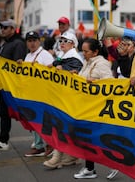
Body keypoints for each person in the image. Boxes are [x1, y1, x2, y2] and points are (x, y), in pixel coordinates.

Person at [72, 38, 118, 179]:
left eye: (86, 51)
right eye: (83, 51)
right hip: (86, 107)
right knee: (87, 138)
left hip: (97, 108)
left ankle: (115, 163)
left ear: (95, 52)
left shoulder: (102, 63)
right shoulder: (87, 62)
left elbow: (110, 83)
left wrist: (96, 82)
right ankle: (89, 168)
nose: (83, 54)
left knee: (97, 138)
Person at [43, 31, 83, 169]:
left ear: (73, 44)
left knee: (61, 126)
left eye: (65, 41)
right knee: (62, 127)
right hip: (60, 98)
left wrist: (63, 70)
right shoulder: (62, 56)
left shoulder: (75, 59)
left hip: (68, 99)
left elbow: (75, 76)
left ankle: (58, 156)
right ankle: (70, 155)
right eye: (60, 41)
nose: (62, 43)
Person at [20, 31, 54, 157]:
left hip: (44, 95)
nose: (32, 43)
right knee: (34, 120)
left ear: (39, 41)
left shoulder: (45, 55)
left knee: (45, 121)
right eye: (29, 40)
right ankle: (39, 145)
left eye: (34, 40)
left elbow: (53, 73)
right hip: (32, 94)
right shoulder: (28, 56)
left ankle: (50, 145)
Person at [0, 19, 27, 151]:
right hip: (3, 84)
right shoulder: (7, 43)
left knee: (25, 114)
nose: (2, 29)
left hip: (10, 86)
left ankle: (42, 143)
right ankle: (3, 140)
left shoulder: (18, 43)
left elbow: (17, 65)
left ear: (13, 29)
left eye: (5, 27)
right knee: (3, 113)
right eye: (1, 27)